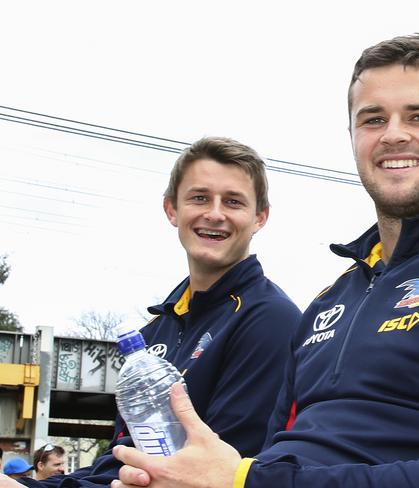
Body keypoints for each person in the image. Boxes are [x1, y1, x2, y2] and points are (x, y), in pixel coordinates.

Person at [112, 33, 419, 487]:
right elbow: (276, 454)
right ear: (353, 136)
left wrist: (245, 480)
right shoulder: (328, 301)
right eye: (373, 119)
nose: (393, 135)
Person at [0, 137, 301, 488]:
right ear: (171, 209)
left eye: (233, 201)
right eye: (199, 197)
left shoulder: (270, 320)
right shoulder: (156, 330)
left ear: (259, 217)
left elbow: (214, 472)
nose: (215, 213)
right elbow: (122, 459)